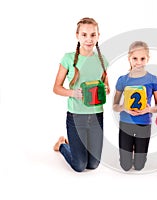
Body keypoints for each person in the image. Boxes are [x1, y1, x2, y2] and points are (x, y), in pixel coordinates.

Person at [53, 17, 110, 172]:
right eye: (84, 35)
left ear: (98, 36)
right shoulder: (68, 59)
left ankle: (76, 146)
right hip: (76, 117)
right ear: (77, 35)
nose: (89, 39)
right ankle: (63, 145)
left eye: (93, 35)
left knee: (93, 165)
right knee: (79, 165)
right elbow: (56, 88)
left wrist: (105, 89)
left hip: (96, 117)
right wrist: (73, 93)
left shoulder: (102, 60)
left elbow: (107, 87)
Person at [113, 41, 157, 171]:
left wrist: (148, 109)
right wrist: (124, 108)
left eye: (142, 58)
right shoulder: (123, 80)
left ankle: (136, 148)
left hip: (144, 123)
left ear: (148, 59)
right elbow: (115, 106)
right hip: (126, 122)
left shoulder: (153, 79)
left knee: (139, 167)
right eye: (135, 58)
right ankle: (129, 150)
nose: (138, 62)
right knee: (125, 166)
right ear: (129, 58)